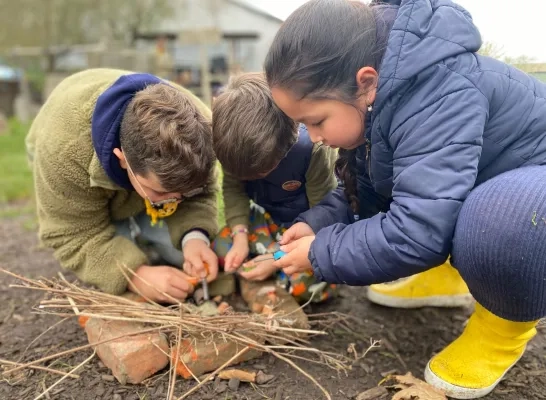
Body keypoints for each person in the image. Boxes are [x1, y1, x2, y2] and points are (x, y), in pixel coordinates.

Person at [264, 0, 546, 398]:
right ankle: (449, 278)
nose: (315, 137)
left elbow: (418, 231)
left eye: (317, 120)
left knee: (506, 222)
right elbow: (371, 192)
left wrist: (319, 253)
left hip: (536, 198)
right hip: (492, 182)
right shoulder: (384, 99)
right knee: (447, 203)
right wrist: (317, 224)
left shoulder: (435, 95)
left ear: (365, 81)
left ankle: (503, 326)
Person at [26, 68, 220, 304]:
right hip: (65, 136)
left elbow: (201, 194)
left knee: (175, 250)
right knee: (115, 259)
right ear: (122, 159)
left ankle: (151, 228)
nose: (173, 202)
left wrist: (195, 237)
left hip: (134, 164)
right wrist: (135, 275)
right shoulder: (62, 154)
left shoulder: (202, 132)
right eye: (159, 192)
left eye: (183, 194)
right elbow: (73, 234)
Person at [211, 72, 339, 303]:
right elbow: (233, 190)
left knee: (306, 286)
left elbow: (324, 215)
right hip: (267, 221)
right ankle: (265, 265)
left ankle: (274, 267)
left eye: (261, 171)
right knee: (222, 244)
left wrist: (277, 257)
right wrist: (240, 238)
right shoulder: (231, 146)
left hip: (304, 230)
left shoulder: (312, 151)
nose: (250, 178)